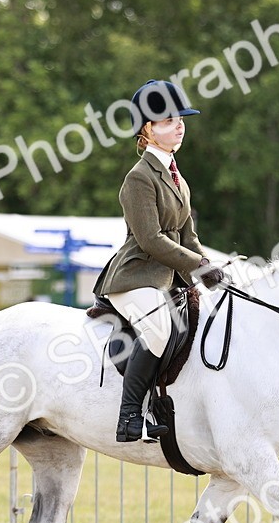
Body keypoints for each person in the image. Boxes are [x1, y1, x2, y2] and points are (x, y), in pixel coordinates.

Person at [92, 79, 227, 442]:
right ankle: (131, 414)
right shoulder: (138, 178)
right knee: (161, 328)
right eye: (168, 120)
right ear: (148, 130)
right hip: (135, 276)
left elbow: (188, 237)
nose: (179, 125)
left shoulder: (178, 179)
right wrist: (197, 265)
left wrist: (212, 267)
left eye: (181, 118)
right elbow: (152, 240)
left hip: (165, 279)